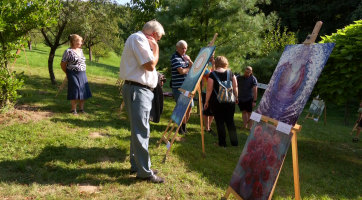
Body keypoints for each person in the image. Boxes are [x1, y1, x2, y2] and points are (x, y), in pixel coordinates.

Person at [119, 20, 165, 183]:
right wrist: (156, 49)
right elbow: (150, 65)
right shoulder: (138, 39)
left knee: (138, 129)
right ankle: (144, 172)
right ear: (153, 35)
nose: (157, 42)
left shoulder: (138, 40)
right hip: (137, 90)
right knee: (141, 131)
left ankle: (138, 165)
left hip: (139, 90)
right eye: (158, 39)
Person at [204, 56, 239, 147]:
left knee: (220, 122)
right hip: (229, 101)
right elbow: (235, 87)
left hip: (216, 102)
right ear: (225, 63)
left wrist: (206, 101)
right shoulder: (231, 73)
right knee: (230, 122)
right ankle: (234, 143)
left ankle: (222, 143)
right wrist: (237, 97)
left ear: (216, 63)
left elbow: (209, 89)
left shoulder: (212, 75)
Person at [61, 34, 92, 115]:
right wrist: (67, 73)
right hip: (72, 73)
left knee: (83, 90)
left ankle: (81, 109)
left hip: (82, 73)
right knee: (75, 90)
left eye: (81, 42)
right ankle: (73, 109)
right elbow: (63, 64)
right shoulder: (68, 51)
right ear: (73, 42)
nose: (81, 44)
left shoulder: (80, 50)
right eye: (79, 42)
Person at [170, 40, 194, 135]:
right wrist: (188, 69)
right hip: (178, 87)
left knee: (190, 107)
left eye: (185, 48)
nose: (184, 50)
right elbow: (181, 71)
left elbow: (192, 67)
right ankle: (179, 127)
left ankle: (183, 125)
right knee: (181, 108)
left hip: (187, 87)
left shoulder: (185, 57)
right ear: (177, 48)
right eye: (182, 48)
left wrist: (190, 61)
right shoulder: (175, 58)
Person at [201, 54, 215, 136]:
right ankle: (206, 128)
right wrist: (213, 65)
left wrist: (214, 65)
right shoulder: (204, 64)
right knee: (206, 109)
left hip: (214, 91)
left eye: (213, 54)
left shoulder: (215, 63)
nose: (212, 56)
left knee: (213, 110)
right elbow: (211, 75)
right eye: (211, 54)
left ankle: (209, 126)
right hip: (205, 90)